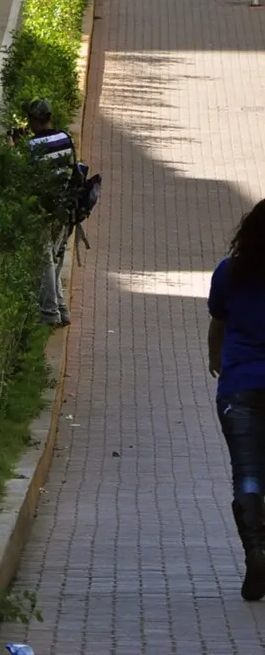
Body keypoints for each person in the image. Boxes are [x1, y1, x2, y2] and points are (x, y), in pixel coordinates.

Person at [207, 199, 265, 601]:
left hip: (240, 385)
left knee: (247, 473)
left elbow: (219, 321)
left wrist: (216, 360)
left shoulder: (230, 272)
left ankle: (256, 552)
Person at [22, 98, 75, 328]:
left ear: (33, 120)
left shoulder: (32, 146)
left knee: (45, 260)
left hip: (43, 212)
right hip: (65, 210)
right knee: (55, 258)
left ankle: (50, 313)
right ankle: (62, 309)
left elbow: (21, 175)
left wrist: (15, 146)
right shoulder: (65, 138)